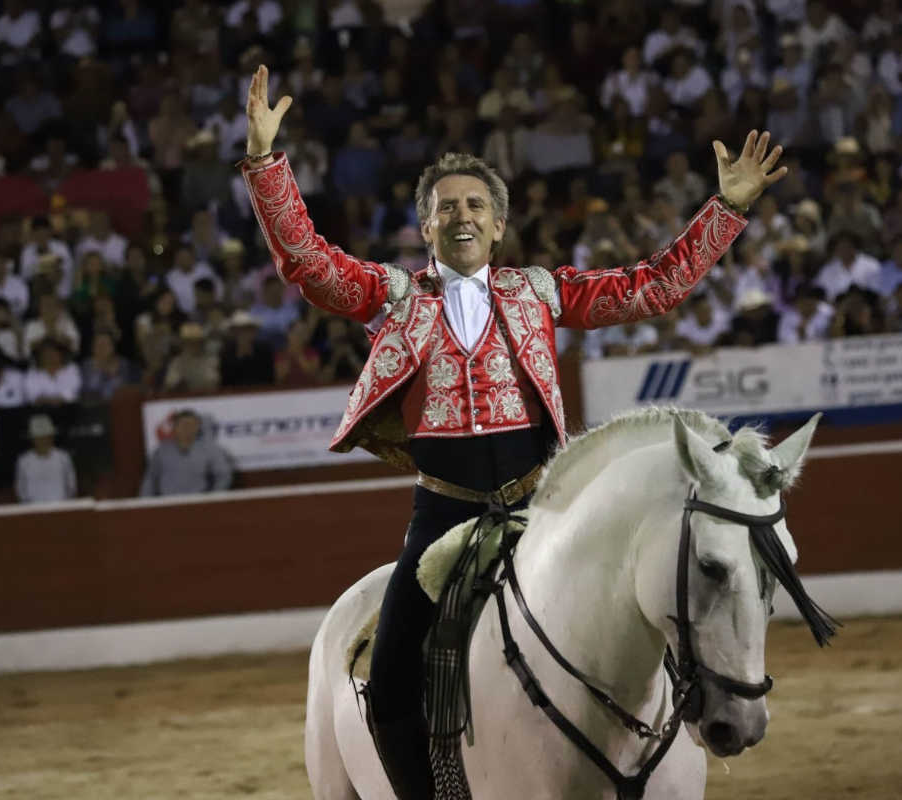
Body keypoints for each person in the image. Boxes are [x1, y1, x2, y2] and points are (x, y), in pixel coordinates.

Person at [236, 64, 787, 798]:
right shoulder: (397, 296)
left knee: (640, 610)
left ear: (498, 224)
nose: (460, 216)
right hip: (441, 517)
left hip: (540, 508)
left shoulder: (538, 291)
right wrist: (268, 163)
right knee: (393, 674)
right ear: (425, 227)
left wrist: (725, 208)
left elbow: (654, 285)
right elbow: (308, 263)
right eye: (444, 208)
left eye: (475, 205)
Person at [138, 409, 233, 496]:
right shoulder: (162, 450)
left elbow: (224, 475)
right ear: (175, 427)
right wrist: (145, 502)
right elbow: (150, 479)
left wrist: (213, 497)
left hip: (199, 500)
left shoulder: (210, 449)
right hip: (168, 501)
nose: (187, 428)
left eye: (192, 425)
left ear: (198, 427)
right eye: (183, 424)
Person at [15, 414, 77, 503]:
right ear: (33, 439)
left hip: (60, 508)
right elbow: (21, 490)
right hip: (33, 511)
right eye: (39, 438)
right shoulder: (24, 461)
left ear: (51, 437)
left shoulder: (63, 458)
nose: (43, 441)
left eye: (46, 437)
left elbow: (71, 486)